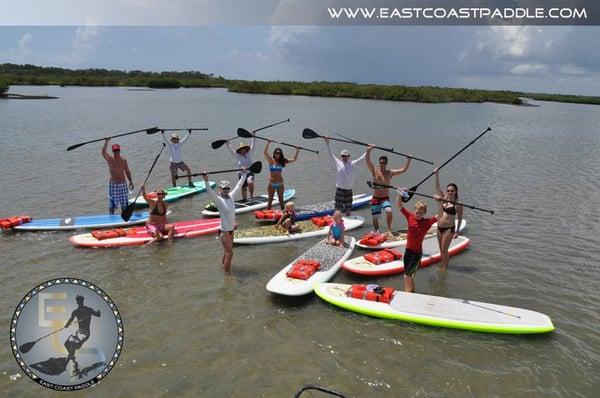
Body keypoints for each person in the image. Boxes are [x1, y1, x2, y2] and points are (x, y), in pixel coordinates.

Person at [396, 189, 442, 293]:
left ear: (424, 213)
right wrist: (400, 193)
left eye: (421, 213)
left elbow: (439, 216)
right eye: (417, 212)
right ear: (414, 210)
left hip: (416, 255)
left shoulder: (427, 222)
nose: (418, 214)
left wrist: (439, 203)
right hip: (408, 251)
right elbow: (399, 206)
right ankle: (411, 293)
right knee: (407, 276)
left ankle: (408, 294)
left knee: (408, 275)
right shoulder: (410, 217)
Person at [201, 170, 246, 274]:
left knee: (227, 252)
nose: (226, 190)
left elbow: (239, 186)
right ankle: (227, 276)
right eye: (224, 188)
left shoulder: (231, 196)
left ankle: (223, 266)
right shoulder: (218, 199)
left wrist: (244, 174)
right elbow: (209, 191)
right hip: (224, 231)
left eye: (227, 188)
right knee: (230, 253)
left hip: (231, 230)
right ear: (220, 189)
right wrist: (206, 180)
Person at [366, 145, 412, 234]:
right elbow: (368, 162)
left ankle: (389, 230)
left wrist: (408, 160)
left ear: (386, 164)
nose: (382, 164)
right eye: (381, 163)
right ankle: (376, 231)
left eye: (384, 163)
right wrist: (368, 151)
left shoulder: (389, 173)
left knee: (389, 210)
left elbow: (403, 170)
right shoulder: (374, 170)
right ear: (379, 163)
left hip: (385, 198)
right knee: (375, 217)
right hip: (375, 198)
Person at [324, 137, 367, 216]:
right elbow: (331, 154)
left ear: (349, 156)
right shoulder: (338, 162)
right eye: (343, 156)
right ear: (341, 156)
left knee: (348, 209)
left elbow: (362, 158)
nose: (344, 157)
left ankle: (348, 221)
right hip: (339, 190)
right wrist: (327, 143)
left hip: (348, 191)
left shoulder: (352, 164)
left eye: (346, 156)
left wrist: (368, 150)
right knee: (338, 210)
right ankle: (336, 223)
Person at [433, 168, 464, 272]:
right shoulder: (444, 198)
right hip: (439, 227)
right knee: (440, 250)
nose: (450, 192)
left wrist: (457, 232)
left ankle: (444, 268)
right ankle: (442, 262)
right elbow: (437, 187)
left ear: (456, 192)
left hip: (449, 229)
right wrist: (436, 174)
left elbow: (459, 218)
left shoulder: (458, 204)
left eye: (452, 191)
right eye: (448, 190)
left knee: (444, 249)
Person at [63, 295, 101, 373]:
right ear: (77, 302)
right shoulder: (75, 312)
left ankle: (70, 362)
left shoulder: (88, 310)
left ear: (82, 301)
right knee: (66, 344)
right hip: (79, 332)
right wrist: (67, 325)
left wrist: (98, 312)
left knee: (73, 346)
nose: (79, 302)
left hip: (85, 333)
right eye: (78, 300)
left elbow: (98, 315)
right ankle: (73, 359)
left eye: (80, 300)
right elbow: (70, 320)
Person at [264, 140, 299, 211]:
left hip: (280, 184)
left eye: (279, 153)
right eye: (276, 153)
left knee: (281, 200)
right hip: (271, 184)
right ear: (274, 153)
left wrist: (297, 150)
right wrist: (268, 142)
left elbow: (294, 159)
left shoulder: (282, 162)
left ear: (280, 154)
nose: (277, 154)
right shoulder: (271, 161)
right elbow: (265, 153)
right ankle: (268, 213)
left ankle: (283, 213)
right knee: (270, 200)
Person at [102, 138, 134, 214]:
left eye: (117, 150)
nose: (116, 152)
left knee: (124, 203)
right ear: (113, 151)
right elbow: (103, 153)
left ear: (119, 150)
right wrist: (106, 141)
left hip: (123, 184)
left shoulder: (124, 161)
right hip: (114, 184)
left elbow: (127, 171)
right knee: (112, 203)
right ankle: (111, 218)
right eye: (115, 151)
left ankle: (124, 216)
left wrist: (131, 181)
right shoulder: (110, 159)